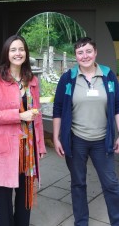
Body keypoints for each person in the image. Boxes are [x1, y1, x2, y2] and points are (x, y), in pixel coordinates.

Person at [53, 37, 119, 226]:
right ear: (76, 55)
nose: (85, 56)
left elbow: (117, 107)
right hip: (76, 141)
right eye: (80, 52)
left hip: (102, 141)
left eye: (88, 51)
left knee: (111, 184)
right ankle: (81, 222)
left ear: (95, 52)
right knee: (78, 183)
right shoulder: (68, 78)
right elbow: (58, 108)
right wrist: (57, 138)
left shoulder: (108, 75)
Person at [0, 34, 46, 226]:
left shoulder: (32, 80)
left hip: (28, 150)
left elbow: (37, 118)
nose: (18, 53)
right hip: (5, 149)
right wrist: (19, 115)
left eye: (21, 49)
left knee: (25, 200)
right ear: (7, 53)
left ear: (26, 53)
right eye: (13, 49)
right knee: (3, 202)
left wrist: (41, 145)